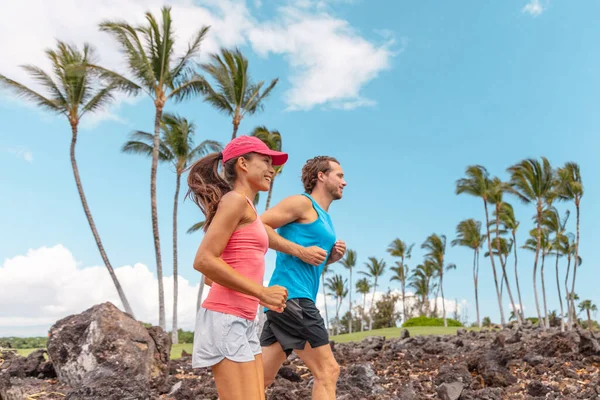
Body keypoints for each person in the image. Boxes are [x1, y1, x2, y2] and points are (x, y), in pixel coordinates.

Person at [187, 135, 291, 400]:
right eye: (266, 161)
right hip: (226, 318)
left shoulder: (248, 209)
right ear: (243, 163)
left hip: (243, 318)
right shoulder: (234, 201)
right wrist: (261, 292)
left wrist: (257, 293)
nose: (272, 169)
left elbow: (215, 276)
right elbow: (204, 261)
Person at [259, 155, 347, 400]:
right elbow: (257, 226)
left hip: (286, 301)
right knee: (328, 371)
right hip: (294, 299)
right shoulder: (302, 203)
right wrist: (300, 251)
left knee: (259, 379)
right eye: (339, 175)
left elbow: (308, 260)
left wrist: (330, 258)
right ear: (321, 176)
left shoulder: (324, 217)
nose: (344, 182)